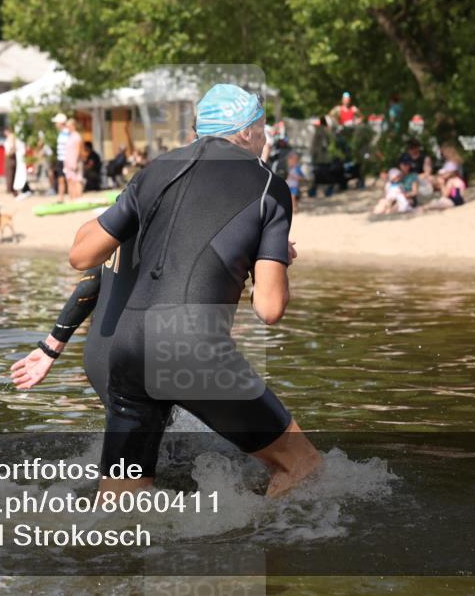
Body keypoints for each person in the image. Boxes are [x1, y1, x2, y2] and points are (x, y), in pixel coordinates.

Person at [64, 83, 320, 497]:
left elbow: (81, 257)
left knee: (121, 501)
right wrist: (272, 259)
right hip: (191, 347)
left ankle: (107, 557)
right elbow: (269, 308)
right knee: (301, 464)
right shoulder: (267, 186)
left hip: (127, 350)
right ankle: (268, 546)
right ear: (247, 131)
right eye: (263, 129)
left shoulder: (156, 170)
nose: (266, 138)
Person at [64, 118, 85, 199]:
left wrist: (75, 162)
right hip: (69, 162)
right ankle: (72, 198)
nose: (67, 128)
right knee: (70, 180)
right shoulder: (70, 136)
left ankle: (78, 198)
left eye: (68, 126)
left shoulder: (76, 136)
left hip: (75, 162)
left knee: (77, 180)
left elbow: (78, 150)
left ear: (73, 126)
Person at [53, 113, 70, 201]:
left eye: (57, 123)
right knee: (60, 178)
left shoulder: (67, 133)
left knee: (68, 179)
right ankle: (61, 197)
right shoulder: (61, 133)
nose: (56, 125)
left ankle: (71, 197)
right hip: (60, 159)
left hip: (66, 159)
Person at [3, 125, 19, 197]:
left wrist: (9, 154)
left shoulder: (11, 137)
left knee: (9, 173)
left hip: (10, 157)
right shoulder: (12, 137)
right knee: (11, 173)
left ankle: (10, 189)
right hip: (11, 157)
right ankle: (11, 188)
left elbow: (13, 147)